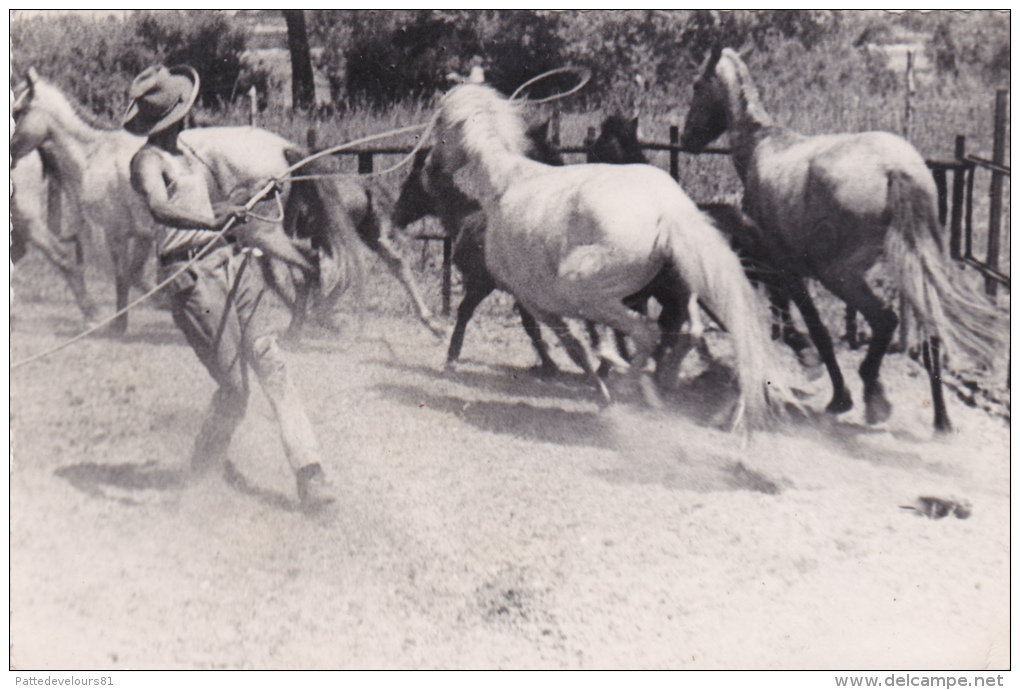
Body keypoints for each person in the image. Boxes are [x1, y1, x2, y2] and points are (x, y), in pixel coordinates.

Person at [125, 64, 333, 507]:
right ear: (178, 113)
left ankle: (310, 472)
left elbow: (214, 206)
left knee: (272, 366)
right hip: (191, 279)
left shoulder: (189, 156)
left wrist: (249, 196)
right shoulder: (147, 160)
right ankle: (202, 472)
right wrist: (214, 220)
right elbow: (161, 208)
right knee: (236, 389)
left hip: (231, 265)